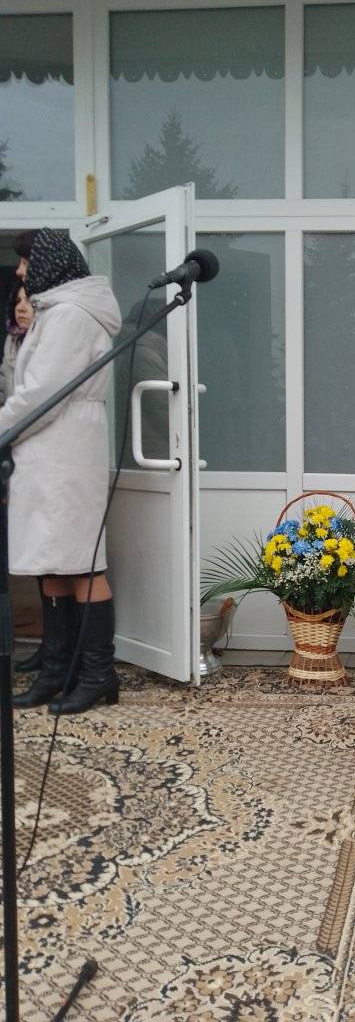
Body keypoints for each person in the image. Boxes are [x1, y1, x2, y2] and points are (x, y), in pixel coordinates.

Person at [0, 228, 122, 714]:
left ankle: (97, 675)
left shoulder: (71, 314)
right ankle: (57, 671)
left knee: (83, 562)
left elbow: (41, 394)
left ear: (49, 261)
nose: (20, 271)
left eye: (26, 261)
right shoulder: (56, 310)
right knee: (51, 560)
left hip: (67, 449)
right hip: (47, 450)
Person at [1, 281, 46, 674]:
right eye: (17, 301)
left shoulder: (48, 341)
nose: (21, 307)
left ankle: (56, 646)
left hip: (41, 452)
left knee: (50, 557)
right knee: (32, 551)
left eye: (29, 301)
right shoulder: (13, 342)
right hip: (15, 449)